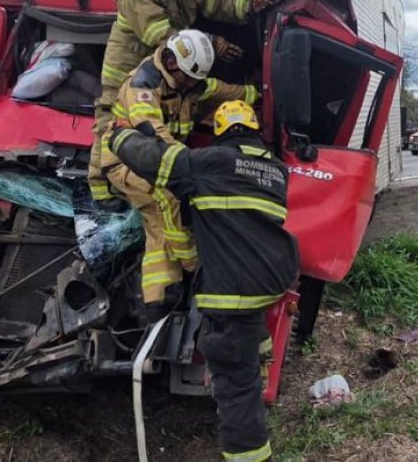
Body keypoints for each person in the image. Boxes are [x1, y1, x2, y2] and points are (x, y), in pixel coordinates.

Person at [109, 99, 298, 462]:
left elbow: (157, 162)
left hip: (232, 292)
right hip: (270, 276)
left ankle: (250, 454)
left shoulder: (210, 164)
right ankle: (256, 360)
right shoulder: (276, 171)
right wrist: (157, 136)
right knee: (248, 330)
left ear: (219, 133)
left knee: (236, 385)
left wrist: (119, 137)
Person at [88, 0, 275, 202]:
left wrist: (249, 5)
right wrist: (212, 43)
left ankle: (153, 176)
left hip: (165, 64)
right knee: (110, 123)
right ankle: (101, 195)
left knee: (167, 116)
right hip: (127, 67)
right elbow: (163, 37)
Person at [102, 30, 258, 316]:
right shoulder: (143, 86)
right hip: (128, 162)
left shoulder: (188, 80)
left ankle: (158, 301)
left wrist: (254, 93)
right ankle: (191, 266)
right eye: (192, 79)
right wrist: (191, 169)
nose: (196, 85)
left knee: (157, 226)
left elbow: (218, 89)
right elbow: (153, 134)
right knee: (169, 199)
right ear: (173, 64)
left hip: (159, 160)